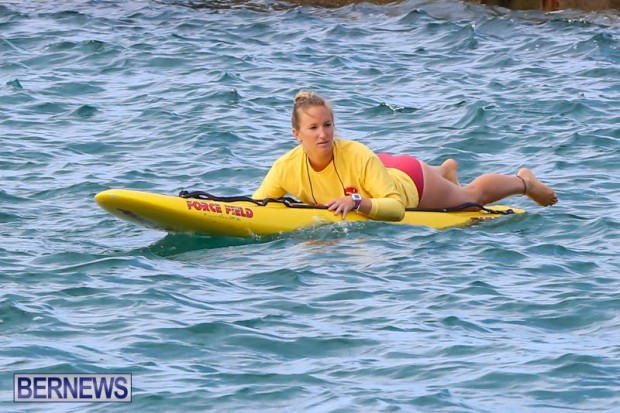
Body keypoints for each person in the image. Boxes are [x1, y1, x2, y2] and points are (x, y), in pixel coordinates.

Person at [253, 90, 558, 221]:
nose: (323, 134)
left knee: (470, 198)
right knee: (449, 187)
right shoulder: (286, 166)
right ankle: (444, 171)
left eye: (328, 125)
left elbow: (396, 207)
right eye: (313, 128)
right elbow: (257, 206)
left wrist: (356, 202)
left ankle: (524, 182)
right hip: (379, 170)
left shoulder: (356, 153)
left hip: (408, 181)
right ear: (297, 134)